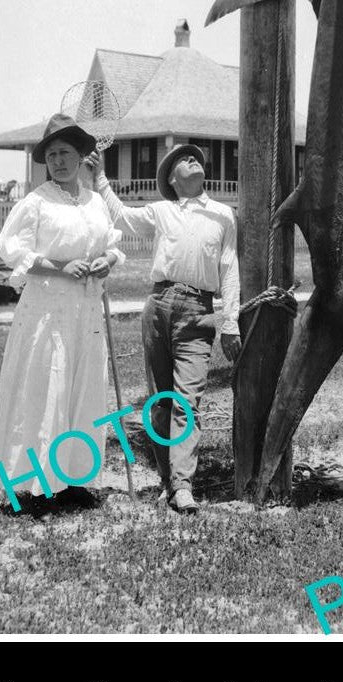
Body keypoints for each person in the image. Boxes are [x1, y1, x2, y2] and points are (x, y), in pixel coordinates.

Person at [87, 145, 240, 515]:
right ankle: (167, 481)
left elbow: (229, 267)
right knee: (159, 404)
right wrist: (100, 178)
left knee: (187, 402)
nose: (194, 161)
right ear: (172, 179)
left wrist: (231, 321)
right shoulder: (161, 210)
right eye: (184, 160)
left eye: (197, 158)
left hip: (198, 312)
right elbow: (121, 217)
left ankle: (184, 486)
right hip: (158, 307)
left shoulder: (223, 215)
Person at [0, 113, 125, 510]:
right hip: (48, 311)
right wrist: (57, 266)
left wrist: (108, 260)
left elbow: (111, 242)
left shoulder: (95, 201)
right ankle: (35, 485)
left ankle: (75, 479)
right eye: (52, 155)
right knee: (47, 388)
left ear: (82, 157)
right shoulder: (36, 202)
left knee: (82, 389)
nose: (59, 161)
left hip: (86, 311)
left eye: (66, 153)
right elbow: (10, 248)